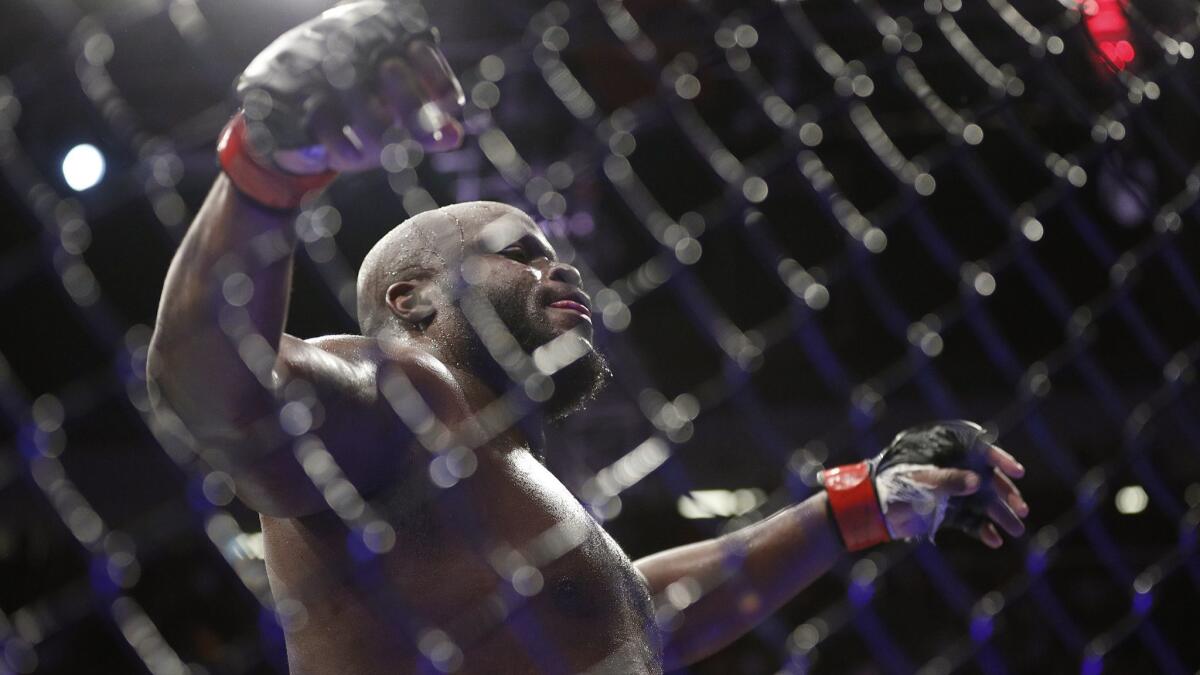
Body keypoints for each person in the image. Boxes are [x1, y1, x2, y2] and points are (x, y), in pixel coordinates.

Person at [147, 2, 1029, 673]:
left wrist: (854, 507)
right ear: (413, 299)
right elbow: (215, 394)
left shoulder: (493, 491)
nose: (559, 270)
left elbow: (637, 614)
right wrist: (266, 172)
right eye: (517, 252)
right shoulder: (399, 392)